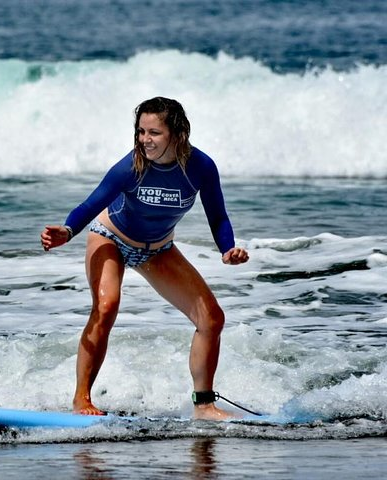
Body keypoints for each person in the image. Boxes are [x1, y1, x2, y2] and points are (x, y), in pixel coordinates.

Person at [40, 97, 249, 421]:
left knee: (212, 319)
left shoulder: (200, 167)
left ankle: (204, 406)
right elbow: (91, 204)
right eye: (141, 132)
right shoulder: (130, 167)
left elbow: (218, 216)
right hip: (111, 238)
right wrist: (68, 230)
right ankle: (82, 400)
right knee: (106, 306)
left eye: (154, 133)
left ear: (177, 134)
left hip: (158, 249)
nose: (145, 140)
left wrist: (227, 249)